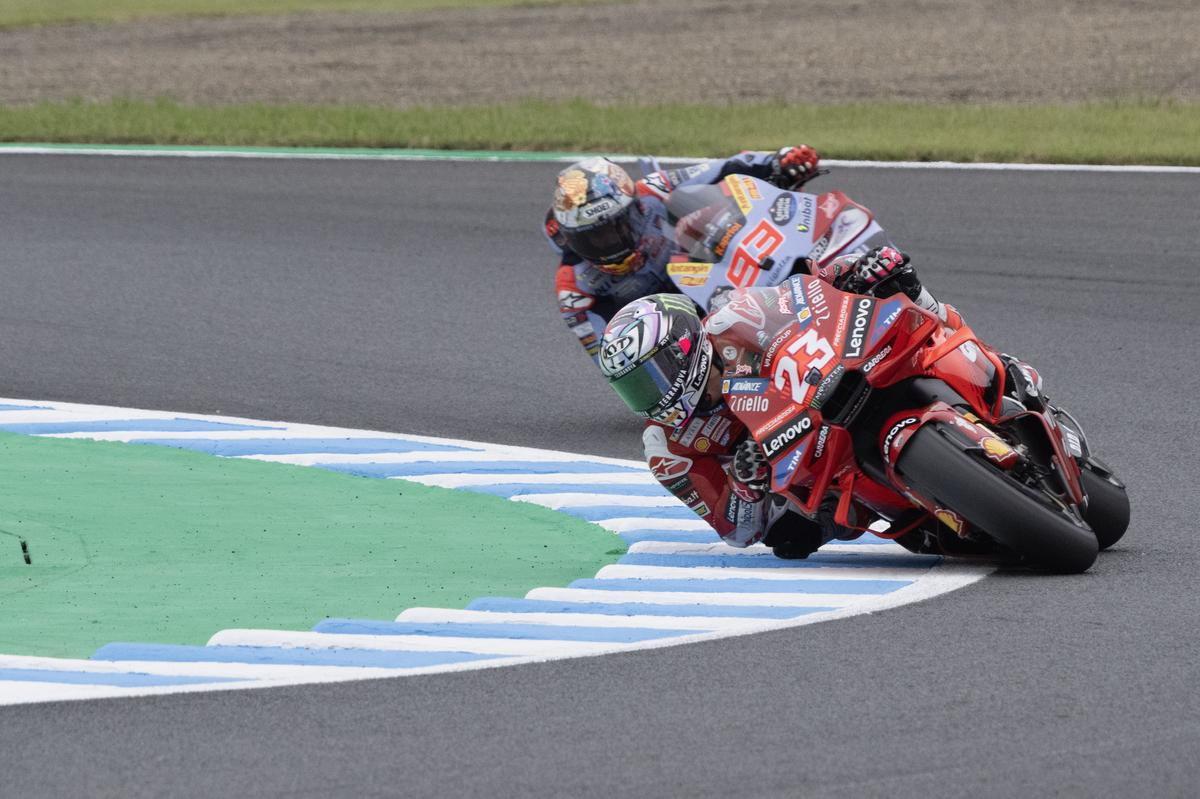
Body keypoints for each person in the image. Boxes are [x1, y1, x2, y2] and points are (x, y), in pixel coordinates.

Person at [596, 246, 1045, 559]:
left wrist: (859, 271)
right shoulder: (667, 447)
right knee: (791, 541)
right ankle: (929, 502)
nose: (651, 397)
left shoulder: (733, 317)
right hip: (808, 483)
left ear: (683, 346)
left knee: (902, 295)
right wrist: (749, 486)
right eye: (633, 388)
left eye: (652, 377)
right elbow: (736, 530)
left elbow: (807, 289)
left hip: (836, 382)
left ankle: (993, 364)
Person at [546, 148, 821, 362]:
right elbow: (608, 355)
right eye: (594, 237)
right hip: (669, 331)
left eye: (619, 225)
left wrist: (777, 162)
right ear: (570, 238)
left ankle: (816, 280)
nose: (611, 242)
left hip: (710, 278)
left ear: (635, 207)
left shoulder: (652, 188)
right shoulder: (574, 288)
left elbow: (723, 169)